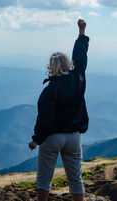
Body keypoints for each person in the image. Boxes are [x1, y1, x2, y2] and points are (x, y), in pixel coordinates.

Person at [28, 19, 89, 201]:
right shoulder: (78, 78)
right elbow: (81, 57)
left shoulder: (50, 90)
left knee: (44, 179)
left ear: (51, 67)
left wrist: (36, 140)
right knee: (76, 179)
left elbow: (44, 118)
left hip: (53, 137)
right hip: (74, 136)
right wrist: (82, 31)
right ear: (68, 64)